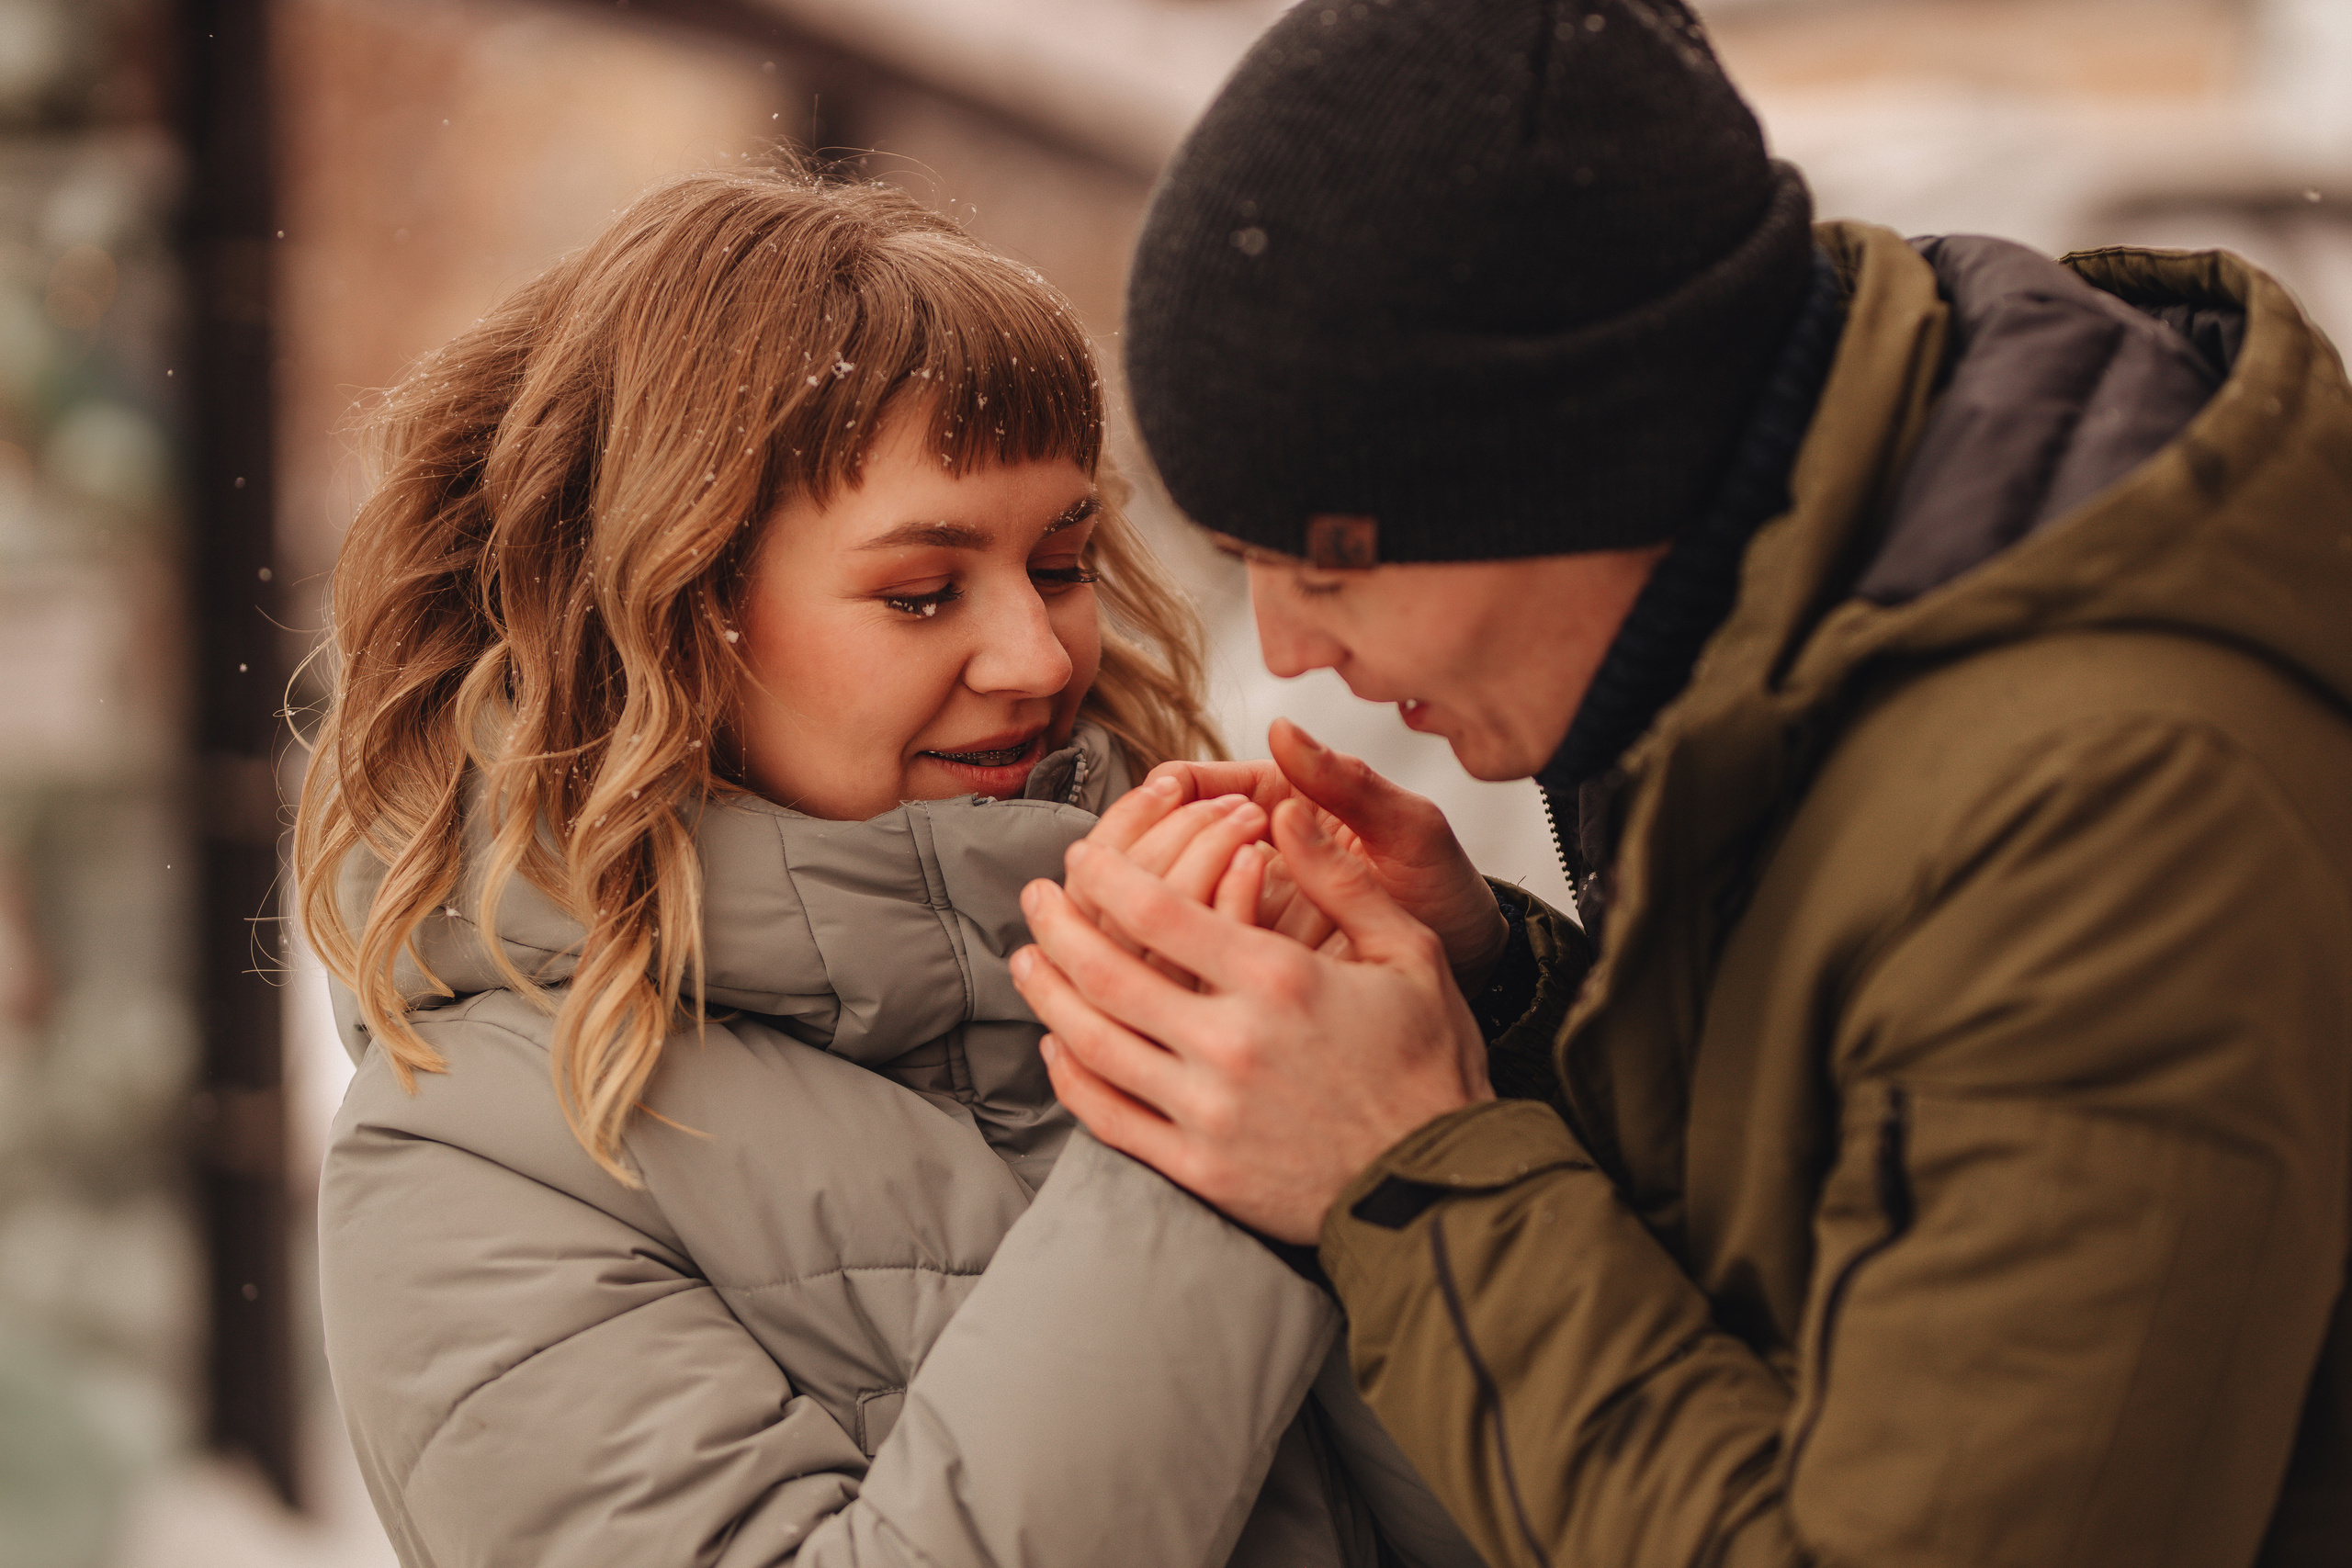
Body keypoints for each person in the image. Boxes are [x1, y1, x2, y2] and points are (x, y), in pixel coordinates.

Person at [1009, 3, 2352, 1564]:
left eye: (1327, 563)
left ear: (1568, 458)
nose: (1293, 653)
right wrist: (1495, 1003)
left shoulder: (2111, 807)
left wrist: (1400, 1166)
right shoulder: (1830, 617)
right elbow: (1825, 1214)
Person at [293, 164, 1486, 1568]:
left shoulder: (1225, 964)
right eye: (921, 593)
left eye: (1060, 563)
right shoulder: (477, 1160)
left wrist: (1481, 1008)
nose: (1038, 660)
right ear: (660, 614)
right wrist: (1194, 1144)